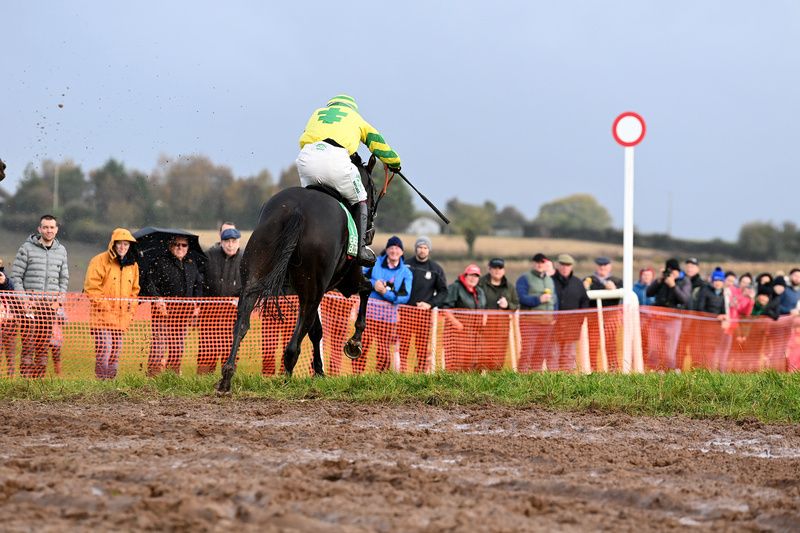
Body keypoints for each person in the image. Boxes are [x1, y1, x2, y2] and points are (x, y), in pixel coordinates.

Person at [296, 94, 401, 267]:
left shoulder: (317, 114)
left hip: (307, 158)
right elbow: (378, 143)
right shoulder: (355, 118)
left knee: (307, 200)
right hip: (336, 160)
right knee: (361, 197)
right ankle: (360, 249)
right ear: (351, 108)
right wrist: (395, 163)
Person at [11, 215, 69, 378]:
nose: (48, 230)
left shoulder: (61, 251)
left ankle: (39, 383)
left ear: (56, 230)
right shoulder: (26, 248)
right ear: (39, 229)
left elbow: (64, 278)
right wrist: (24, 300)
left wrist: (59, 300)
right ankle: (25, 383)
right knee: (28, 345)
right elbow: (16, 277)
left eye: (51, 227)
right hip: (30, 306)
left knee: (43, 346)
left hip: (49, 307)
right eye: (45, 227)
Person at [83, 228, 140, 379]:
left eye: (126, 244)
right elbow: (92, 288)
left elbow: (135, 290)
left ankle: (111, 383)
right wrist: (106, 308)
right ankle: (101, 381)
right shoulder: (99, 261)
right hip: (102, 318)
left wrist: (131, 308)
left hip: (122, 319)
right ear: (113, 244)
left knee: (116, 352)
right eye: (119, 244)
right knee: (105, 350)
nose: (122, 247)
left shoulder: (133, 266)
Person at [145, 235, 203, 376]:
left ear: (188, 248)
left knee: (178, 347)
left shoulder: (191, 264)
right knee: (159, 346)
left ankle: (173, 376)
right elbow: (149, 283)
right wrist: (157, 299)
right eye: (177, 244)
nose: (180, 248)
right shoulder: (160, 262)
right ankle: (153, 376)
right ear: (171, 246)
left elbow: (198, 285)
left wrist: (197, 303)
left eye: (184, 245)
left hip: (183, 313)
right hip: (162, 311)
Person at [354, 236, 412, 374]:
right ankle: (356, 377)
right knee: (362, 347)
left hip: (388, 320)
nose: (394, 251)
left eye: (397, 248)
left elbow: (405, 296)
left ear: (402, 252)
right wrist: (374, 284)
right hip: (367, 315)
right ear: (386, 250)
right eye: (391, 248)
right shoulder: (374, 263)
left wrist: (385, 292)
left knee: (384, 352)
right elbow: (359, 278)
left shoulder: (406, 272)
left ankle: (381, 379)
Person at [398, 236, 447, 373]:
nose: (422, 250)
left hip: (424, 315)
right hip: (405, 313)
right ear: (415, 249)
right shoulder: (406, 265)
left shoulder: (436, 269)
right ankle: (401, 373)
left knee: (422, 347)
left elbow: (443, 292)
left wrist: (430, 304)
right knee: (403, 345)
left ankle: (420, 373)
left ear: (429, 250)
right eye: (420, 247)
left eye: (425, 248)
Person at [198, 226, 243, 374]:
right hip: (209, 314)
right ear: (221, 242)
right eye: (227, 241)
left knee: (230, 350)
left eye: (233, 241)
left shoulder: (244, 259)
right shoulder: (209, 256)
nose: (230, 244)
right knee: (207, 351)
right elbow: (199, 281)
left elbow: (250, 284)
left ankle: (228, 380)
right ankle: (203, 382)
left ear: (238, 242)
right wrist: (199, 304)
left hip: (232, 315)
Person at [644, 258, 691, 370]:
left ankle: (669, 374)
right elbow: (648, 293)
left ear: (677, 271)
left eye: (673, 271)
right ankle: (654, 373)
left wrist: (673, 285)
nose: (670, 273)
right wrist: (659, 281)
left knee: (670, 352)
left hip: (673, 320)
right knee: (653, 350)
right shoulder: (662, 280)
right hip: (657, 319)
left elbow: (684, 299)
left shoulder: (684, 281)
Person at [442, 264, 489, 371]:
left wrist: (484, 319)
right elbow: (446, 308)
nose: (473, 278)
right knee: (457, 363)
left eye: (476, 276)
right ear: (465, 275)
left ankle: (470, 386)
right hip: (457, 333)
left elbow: (484, 308)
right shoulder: (455, 287)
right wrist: (456, 323)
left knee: (473, 362)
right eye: (471, 275)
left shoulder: (480, 291)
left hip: (475, 333)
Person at [515, 253, 557, 371]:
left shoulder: (549, 280)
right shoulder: (524, 278)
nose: (539, 264)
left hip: (547, 323)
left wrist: (555, 316)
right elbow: (521, 297)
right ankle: (521, 379)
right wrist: (538, 299)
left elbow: (555, 299)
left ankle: (535, 378)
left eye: (542, 262)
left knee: (541, 353)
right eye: (537, 262)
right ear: (533, 263)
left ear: (545, 264)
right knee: (528, 351)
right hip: (530, 322)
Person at [478, 258, 518, 371]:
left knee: (498, 358)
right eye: (494, 268)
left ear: (504, 270)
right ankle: (478, 382)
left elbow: (516, 305)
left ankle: (494, 382)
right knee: (481, 357)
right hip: (483, 328)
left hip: (501, 329)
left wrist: (507, 305)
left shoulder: (509, 287)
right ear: (489, 269)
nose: (497, 270)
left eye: (500, 268)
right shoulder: (480, 283)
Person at [0, 259, 20, 377]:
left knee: (10, 353)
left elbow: (13, 292)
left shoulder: (7, 280)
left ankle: (11, 376)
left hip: (9, 321)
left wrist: (5, 282)